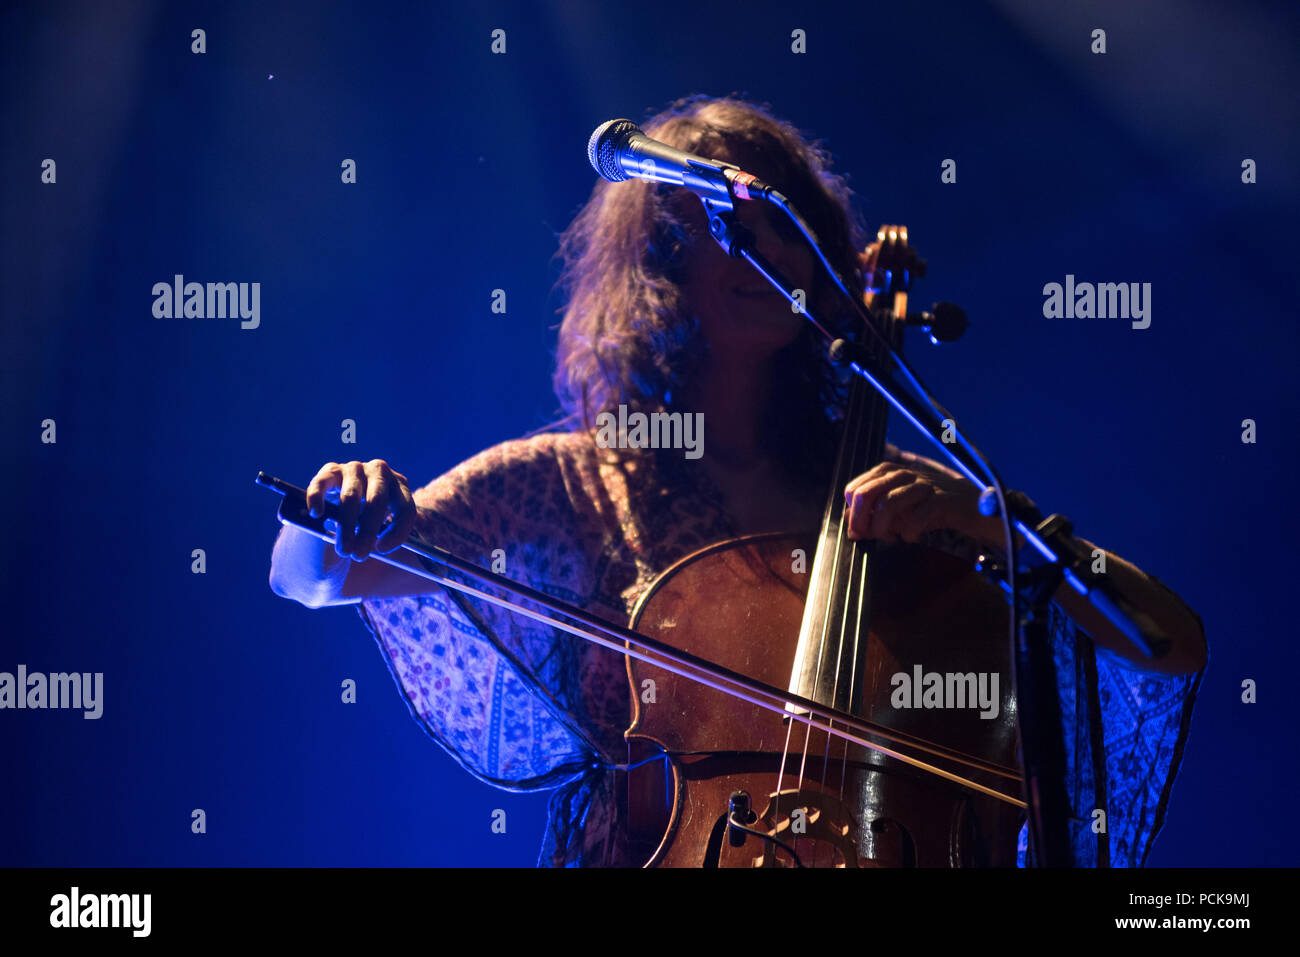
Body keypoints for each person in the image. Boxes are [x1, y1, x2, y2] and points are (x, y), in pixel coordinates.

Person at [268, 95, 1206, 867]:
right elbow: (314, 576)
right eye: (723, 227)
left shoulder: (900, 497)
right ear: (662, 267)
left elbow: (1167, 643)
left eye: (782, 229)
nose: (764, 253)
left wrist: (1003, 530)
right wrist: (331, 515)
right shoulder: (573, 483)